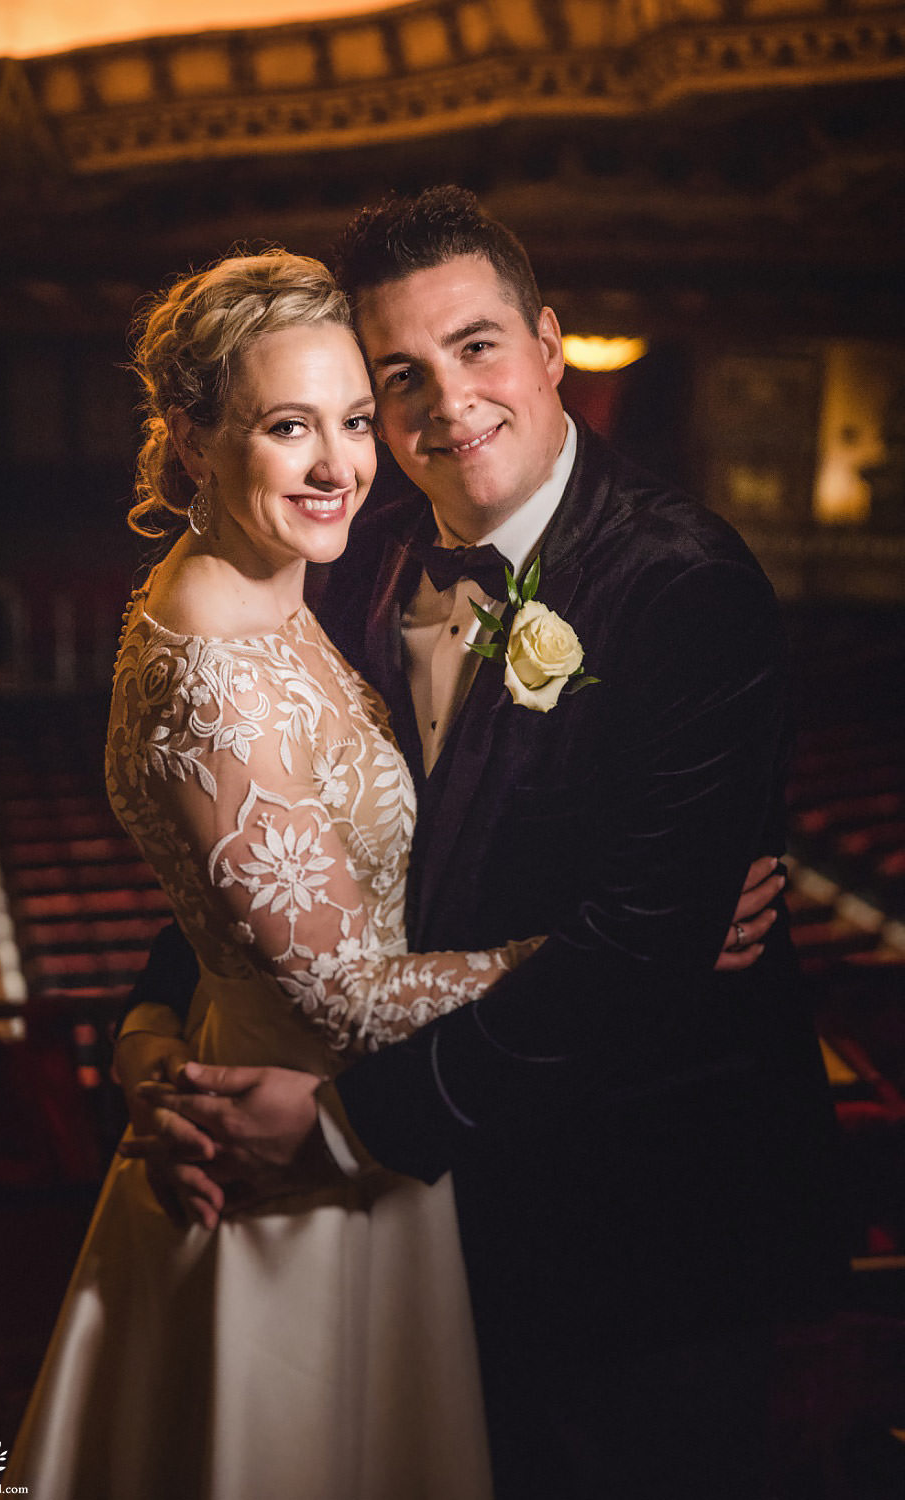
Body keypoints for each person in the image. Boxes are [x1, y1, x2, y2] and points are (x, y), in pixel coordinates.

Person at [115, 190, 843, 1499]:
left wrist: (332, 1126)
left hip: (634, 1234)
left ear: (552, 344)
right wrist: (166, 1040)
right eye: (398, 376)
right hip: (415, 1216)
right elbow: (275, 845)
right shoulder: (351, 551)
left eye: (478, 346)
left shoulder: (687, 589)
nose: (445, 403)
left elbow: (636, 964)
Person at [5, 249, 561, 1500]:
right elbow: (346, 999)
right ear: (193, 439)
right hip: (292, 1163)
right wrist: (600, 951)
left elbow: (243, 904)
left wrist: (147, 1033)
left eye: (355, 420)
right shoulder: (210, 670)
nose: (339, 465)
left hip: (329, 1120)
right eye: (288, 426)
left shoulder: (280, 581)